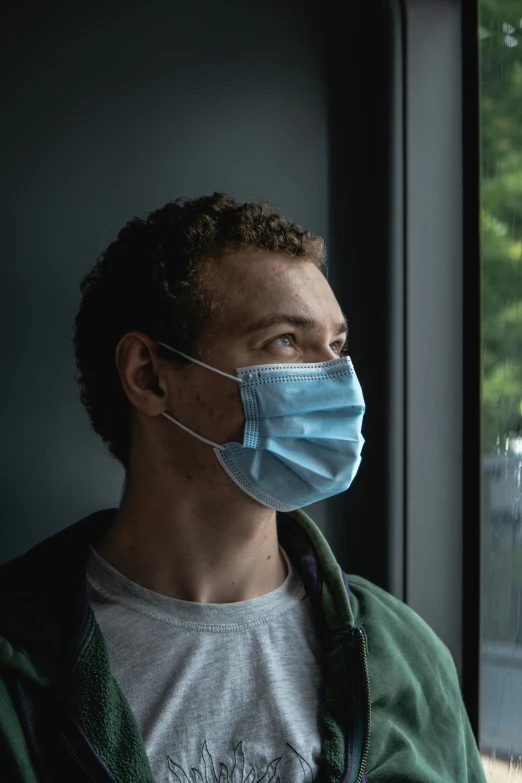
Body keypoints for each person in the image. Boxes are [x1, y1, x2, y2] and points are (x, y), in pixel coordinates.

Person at [0, 193, 487, 782]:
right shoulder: (17, 660)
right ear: (149, 376)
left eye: (337, 345)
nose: (336, 377)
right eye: (284, 340)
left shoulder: (401, 654)